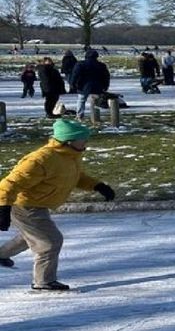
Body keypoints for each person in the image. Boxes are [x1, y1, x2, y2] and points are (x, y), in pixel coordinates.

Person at [0, 119, 116, 291]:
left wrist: (97, 186)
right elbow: (8, 184)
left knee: (33, 236)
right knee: (50, 241)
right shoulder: (40, 160)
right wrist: (3, 207)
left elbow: (75, 176)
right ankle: (43, 281)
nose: (86, 142)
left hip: (38, 204)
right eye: (82, 138)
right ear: (69, 140)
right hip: (23, 205)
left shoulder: (69, 156)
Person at [70, 49, 110, 117]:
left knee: (81, 101)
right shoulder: (101, 65)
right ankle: (95, 116)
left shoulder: (80, 64)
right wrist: (105, 86)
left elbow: (75, 75)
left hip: (83, 86)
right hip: (97, 86)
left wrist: (72, 84)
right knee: (95, 101)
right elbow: (106, 77)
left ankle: (80, 115)